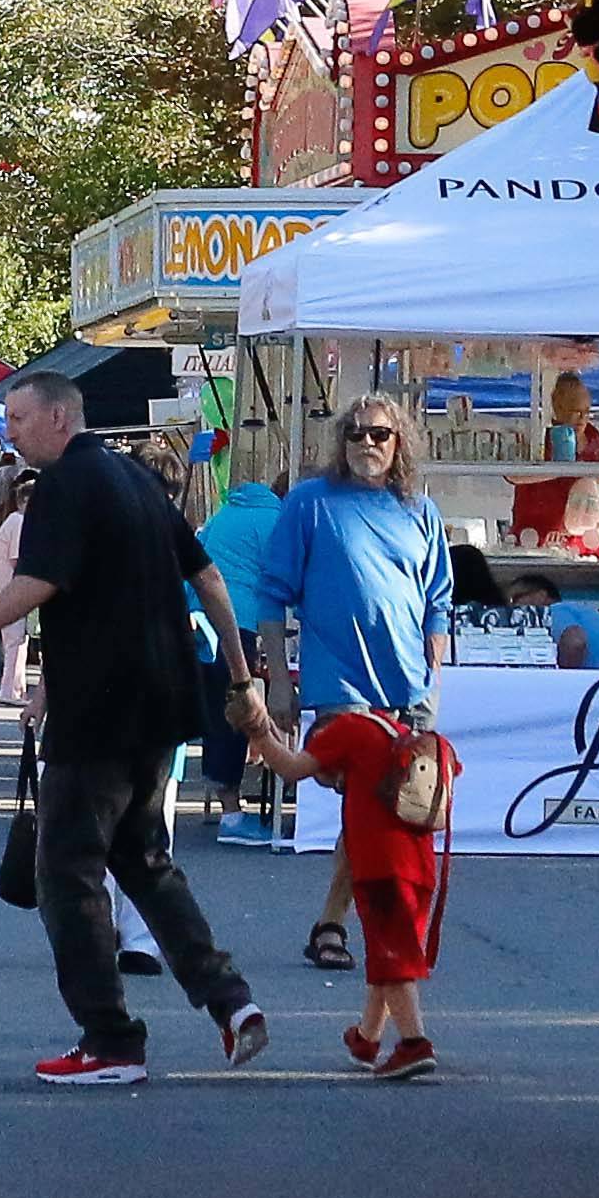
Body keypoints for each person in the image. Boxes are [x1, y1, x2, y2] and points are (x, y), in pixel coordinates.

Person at [0, 368, 263, 1088]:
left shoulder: (66, 486)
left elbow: (37, 585)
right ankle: (230, 1001)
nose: (8, 431)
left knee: (67, 872)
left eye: (17, 418)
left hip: (102, 711)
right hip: (160, 703)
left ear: (59, 421)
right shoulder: (140, 483)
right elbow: (209, 582)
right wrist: (238, 674)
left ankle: (110, 1037)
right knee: (142, 857)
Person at [251, 396, 446, 967]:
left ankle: (338, 925)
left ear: (399, 442)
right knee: (367, 809)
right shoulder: (311, 503)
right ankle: (363, 930)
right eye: (357, 434)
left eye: (380, 435)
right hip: (341, 690)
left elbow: (438, 596)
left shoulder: (419, 510)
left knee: (391, 813)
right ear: (342, 441)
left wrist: (434, 658)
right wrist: (279, 683)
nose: (367, 444)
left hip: (409, 690)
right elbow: (271, 594)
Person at [229, 680, 456, 1078]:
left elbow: (291, 769)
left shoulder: (345, 733)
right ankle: (366, 1039)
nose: (335, 784)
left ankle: (413, 1043)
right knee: (388, 954)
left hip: (380, 865)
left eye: (331, 777)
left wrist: (258, 730)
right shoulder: (397, 731)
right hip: (420, 866)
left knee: (393, 960)